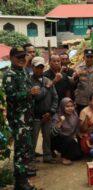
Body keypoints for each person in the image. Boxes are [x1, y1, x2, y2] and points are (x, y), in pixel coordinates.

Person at [3, 47, 37, 190]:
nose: (22, 59)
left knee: (26, 149)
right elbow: (11, 97)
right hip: (18, 119)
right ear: (11, 58)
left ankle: (22, 180)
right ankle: (21, 182)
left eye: (24, 56)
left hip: (27, 117)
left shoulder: (22, 72)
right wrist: (29, 93)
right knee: (20, 150)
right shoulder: (9, 74)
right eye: (19, 57)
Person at [30, 57, 58, 164]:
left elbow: (55, 98)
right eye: (37, 67)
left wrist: (51, 112)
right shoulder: (29, 81)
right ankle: (31, 158)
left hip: (47, 114)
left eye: (41, 67)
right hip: (35, 115)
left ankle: (47, 156)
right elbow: (37, 97)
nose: (40, 70)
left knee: (47, 136)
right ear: (32, 67)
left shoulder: (47, 81)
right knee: (33, 138)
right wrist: (46, 87)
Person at [51, 98, 82, 165]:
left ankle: (66, 152)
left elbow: (76, 129)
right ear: (62, 106)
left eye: (71, 106)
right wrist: (60, 122)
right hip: (57, 139)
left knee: (78, 155)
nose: (70, 108)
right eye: (67, 106)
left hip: (69, 139)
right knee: (68, 140)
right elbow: (52, 134)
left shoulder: (74, 115)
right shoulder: (57, 116)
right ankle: (64, 157)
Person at [74, 49, 93, 114]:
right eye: (87, 57)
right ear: (84, 57)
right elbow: (72, 84)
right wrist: (75, 76)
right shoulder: (78, 69)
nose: (89, 59)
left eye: (91, 57)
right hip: (81, 101)